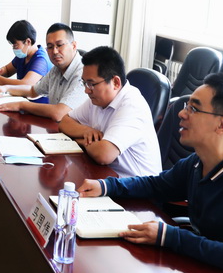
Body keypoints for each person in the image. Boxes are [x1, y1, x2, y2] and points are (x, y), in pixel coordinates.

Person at [78, 73, 223, 273]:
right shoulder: (197, 162)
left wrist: (170, 236)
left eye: (194, 108)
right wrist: (107, 186)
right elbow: (156, 185)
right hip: (212, 272)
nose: (181, 114)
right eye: (186, 106)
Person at [58, 46, 160, 176]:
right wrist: (86, 131)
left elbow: (103, 155)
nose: (86, 90)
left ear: (116, 82)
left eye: (91, 84)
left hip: (136, 184)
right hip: (109, 175)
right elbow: (65, 121)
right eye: (84, 83)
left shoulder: (132, 105)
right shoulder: (97, 99)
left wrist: (78, 141)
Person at [0, 23, 86, 121]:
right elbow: (33, 91)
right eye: (50, 47)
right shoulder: (56, 69)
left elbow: (59, 113)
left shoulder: (84, 74)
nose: (54, 51)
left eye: (59, 45)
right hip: (54, 127)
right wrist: (5, 88)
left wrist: (21, 105)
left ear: (74, 45)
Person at [0, 20, 50, 103]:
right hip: (22, 100)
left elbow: (26, 84)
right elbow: (7, 70)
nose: (14, 48)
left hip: (37, 106)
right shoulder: (23, 55)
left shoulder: (41, 60)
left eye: (15, 45)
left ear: (28, 42)